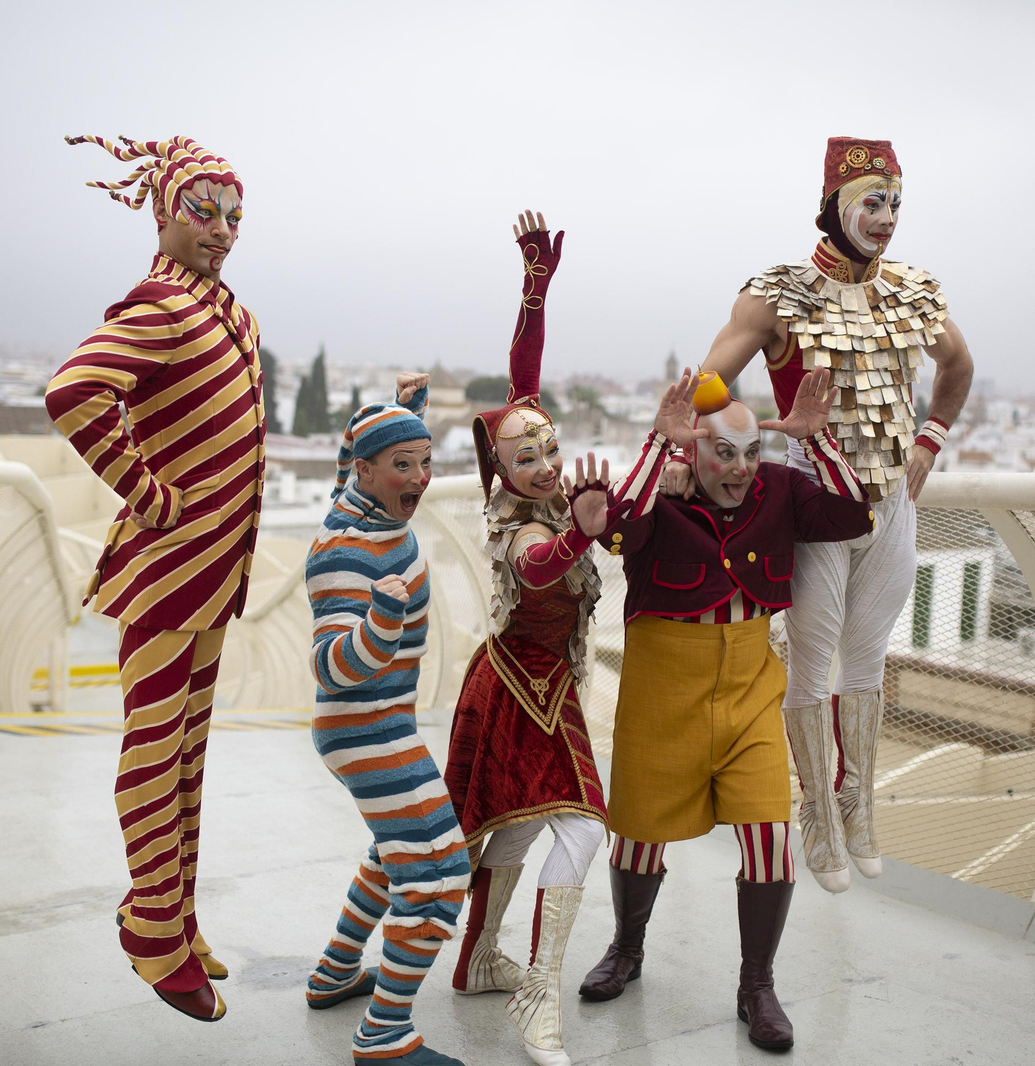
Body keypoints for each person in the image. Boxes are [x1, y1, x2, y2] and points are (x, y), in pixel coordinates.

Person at [688, 137, 974, 892]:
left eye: (895, 204)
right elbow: (705, 393)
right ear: (836, 205)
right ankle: (815, 811)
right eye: (872, 203)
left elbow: (958, 366)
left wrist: (929, 443)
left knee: (869, 660)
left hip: (892, 504)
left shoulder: (912, 291)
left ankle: (859, 806)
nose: (886, 218)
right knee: (813, 663)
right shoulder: (776, 294)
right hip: (814, 504)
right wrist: (778, 434)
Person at [579, 368, 873, 1051]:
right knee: (639, 833)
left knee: (771, 839)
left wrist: (814, 440)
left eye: (751, 454)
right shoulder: (662, 492)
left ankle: (757, 985)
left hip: (748, 690)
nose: (740, 470)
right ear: (693, 452)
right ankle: (626, 949)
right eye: (724, 454)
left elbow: (854, 516)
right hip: (662, 691)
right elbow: (615, 533)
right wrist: (660, 445)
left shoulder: (782, 491)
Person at [46, 133, 265, 1023]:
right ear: (163, 210)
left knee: (188, 755)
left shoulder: (229, 311)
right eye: (202, 211)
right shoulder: (160, 306)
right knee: (152, 747)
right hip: (168, 567)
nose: (220, 230)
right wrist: (151, 496)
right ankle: (151, 938)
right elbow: (72, 393)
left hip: (215, 569)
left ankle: (171, 912)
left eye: (234, 216)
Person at [442, 211, 610, 1066]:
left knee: (511, 829)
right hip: (519, 687)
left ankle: (477, 958)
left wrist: (535, 289)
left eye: (550, 448)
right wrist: (581, 531)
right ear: (502, 472)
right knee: (581, 826)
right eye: (529, 457)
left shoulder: (541, 493)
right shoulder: (519, 525)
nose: (546, 462)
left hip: (535, 683)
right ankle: (538, 994)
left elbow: (522, 382)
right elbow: (542, 570)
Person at [303, 377, 472, 1066]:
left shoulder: (365, 502)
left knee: (393, 851)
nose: (421, 479)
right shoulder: (346, 553)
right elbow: (332, 667)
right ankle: (383, 1036)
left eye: (424, 462)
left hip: (384, 723)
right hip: (365, 730)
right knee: (439, 875)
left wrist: (407, 417)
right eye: (403, 465)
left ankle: (336, 973)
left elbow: (356, 459)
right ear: (370, 471)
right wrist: (382, 622)